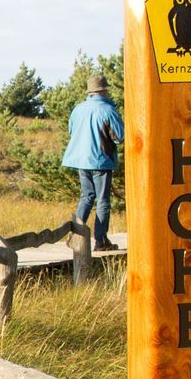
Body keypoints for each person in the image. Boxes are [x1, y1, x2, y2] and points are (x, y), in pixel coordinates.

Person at [61, 74, 124, 250]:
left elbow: (71, 130)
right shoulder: (108, 111)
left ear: (90, 92)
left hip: (81, 160)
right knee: (102, 200)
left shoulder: (78, 109)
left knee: (86, 196)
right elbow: (119, 137)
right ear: (104, 91)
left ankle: (75, 236)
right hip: (100, 160)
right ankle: (101, 241)